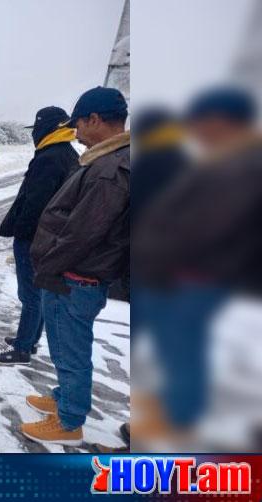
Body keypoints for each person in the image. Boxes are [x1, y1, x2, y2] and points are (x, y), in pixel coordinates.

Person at [133, 86, 261, 449]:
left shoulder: (241, 165)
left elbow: (207, 227)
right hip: (183, 273)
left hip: (194, 276)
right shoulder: (220, 160)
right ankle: (177, 410)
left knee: (182, 348)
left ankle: (178, 425)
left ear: (221, 121)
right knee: (177, 348)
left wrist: (157, 252)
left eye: (201, 122)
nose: (196, 130)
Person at [22, 87, 130, 445]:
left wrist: (47, 266)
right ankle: (62, 398)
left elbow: (81, 234)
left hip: (75, 277)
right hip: (73, 274)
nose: (75, 133)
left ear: (95, 120)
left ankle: (69, 422)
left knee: (71, 352)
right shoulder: (104, 160)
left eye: (78, 125)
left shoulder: (109, 170)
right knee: (65, 348)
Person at [0, 106, 79, 365]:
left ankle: (22, 348)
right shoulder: (66, 153)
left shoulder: (49, 157)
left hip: (35, 237)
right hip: (49, 236)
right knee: (36, 292)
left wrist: (24, 235)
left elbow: (36, 203)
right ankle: (31, 339)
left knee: (30, 294)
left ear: (46, 128)